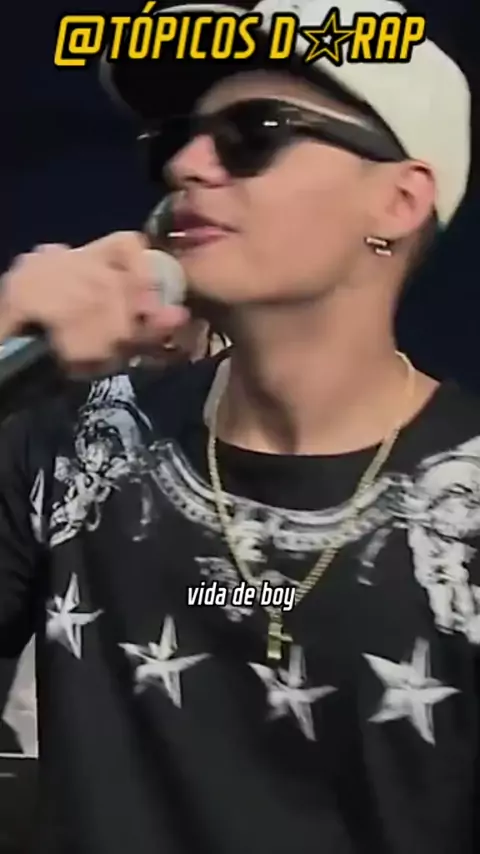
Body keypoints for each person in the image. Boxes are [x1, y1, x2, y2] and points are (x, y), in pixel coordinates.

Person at [0, 0, 477, 851]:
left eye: (254, 133)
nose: (186, 164)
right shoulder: (73, 438)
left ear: (399, 200)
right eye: (175, 140)